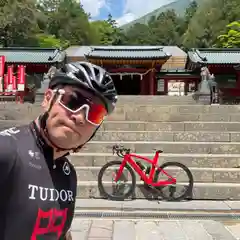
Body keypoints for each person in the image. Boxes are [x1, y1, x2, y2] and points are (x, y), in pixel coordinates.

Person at [0, 61, 118, 240]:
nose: (79, 117)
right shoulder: (6, 149)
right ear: (48, 99)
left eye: (94, 113)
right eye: (72, 100)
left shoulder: (68, 174)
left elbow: (62, 233)